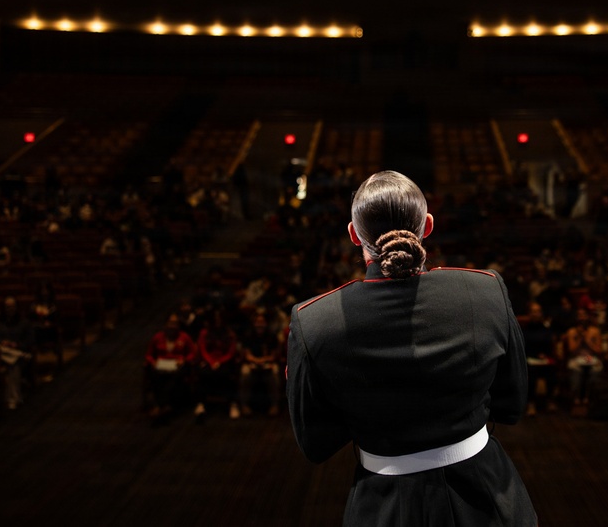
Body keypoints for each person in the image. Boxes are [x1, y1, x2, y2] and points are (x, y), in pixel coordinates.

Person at [287, 170, 536, 526]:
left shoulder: (314, 320)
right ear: (428, 225)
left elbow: (316, 444)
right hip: (489, 498)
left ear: (354, 235)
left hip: (384, 507)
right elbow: (511, 406)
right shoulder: (486, 290)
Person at [143, 314, 197, 422]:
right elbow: (149, 355)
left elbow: (192, 353)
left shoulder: (184, 337)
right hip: (161, 364)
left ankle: (160, 406)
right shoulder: (157, 337)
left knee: (175, 377)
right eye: (170, 323)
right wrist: (153, 362)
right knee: (155, 375)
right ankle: (165, 406)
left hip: (178, 365)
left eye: (175, 324)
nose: (173, 326)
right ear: (165, 325)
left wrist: (184, 360)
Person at [193, 308, 241, 420]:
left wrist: (220, 361)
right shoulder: (204, 333)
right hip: (209, 361)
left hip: (225, 361)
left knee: (229, 374)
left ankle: (232, 404)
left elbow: (231, 351)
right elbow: (203, 349)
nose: (217, 322)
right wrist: (211, 361)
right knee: (202, 373)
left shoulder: (229, 333)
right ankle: (201, 404)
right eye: (215, 320)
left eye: (219, 319)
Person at [238, 310, 281, 417]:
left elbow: (274, 355)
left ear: (266, 323)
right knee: (245, 373)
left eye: (262, 322)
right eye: (257, 322)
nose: (260, 324)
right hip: (252, 363)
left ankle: (275, 405)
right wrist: (257, 361)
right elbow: (247, 354)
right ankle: (244, 405)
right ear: (254, 323)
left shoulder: (272, 336)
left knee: (275, 373)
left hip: (268, 363)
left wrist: (264, 361)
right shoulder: (248, 335)